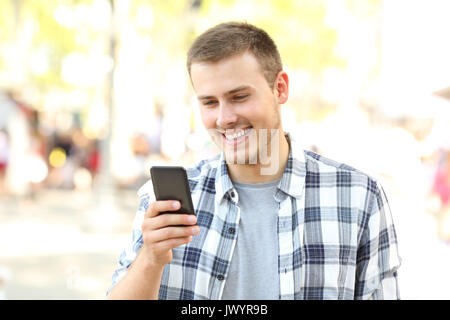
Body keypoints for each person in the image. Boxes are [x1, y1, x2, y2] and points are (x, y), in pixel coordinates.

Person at [107, 22, 401, 300]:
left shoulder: (358, 197)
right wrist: (151, 258)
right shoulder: (164, 201)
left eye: (239, 97)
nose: (223, 118)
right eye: (209, 102)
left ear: (281, 88)